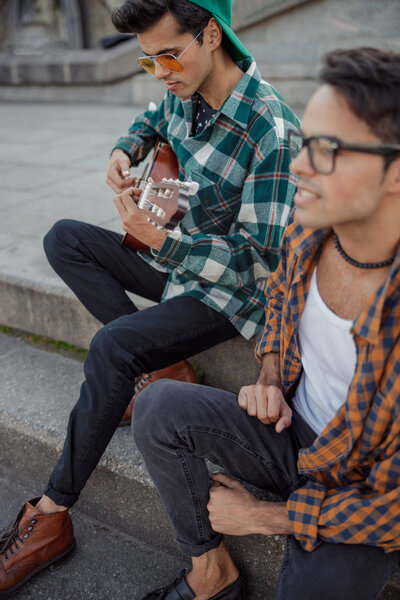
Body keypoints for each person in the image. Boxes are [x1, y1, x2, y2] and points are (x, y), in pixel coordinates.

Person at [0, 0, 299, 596]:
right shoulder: (182, 88)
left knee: (113, 346)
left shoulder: (271, 128)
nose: (161, 72)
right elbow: (152, 118)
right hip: (181, 265)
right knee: (65, 237)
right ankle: (162, 363)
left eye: (169, 55)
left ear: (212, 34)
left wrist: (164, 241)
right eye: (147, 60)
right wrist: (125, 150)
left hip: (230, 294)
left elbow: (257, 266)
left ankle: (52, 515)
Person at [129, 47, 400, 600]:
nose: (298, 164)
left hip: (360, 492)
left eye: (326, 150)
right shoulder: (310, 230)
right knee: (158, 406)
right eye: (306, 143)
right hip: (290, 433)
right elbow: (278, 305)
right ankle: (212, 573)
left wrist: (262, 517)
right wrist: (272, 375)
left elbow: (392, 510)